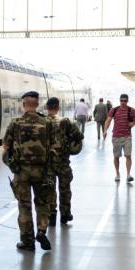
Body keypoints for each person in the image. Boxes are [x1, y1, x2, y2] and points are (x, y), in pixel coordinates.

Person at [2, 91, 55, 251]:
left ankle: (27, 241)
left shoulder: (15, 123)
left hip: (21, 171)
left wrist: (12, 163)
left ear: (23, 104)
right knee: (42, 203)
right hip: (42, 171)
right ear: (38, 104)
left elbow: (5, 148)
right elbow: (53, 147)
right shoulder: (47, 123)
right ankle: (41, 230)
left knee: (24, 206)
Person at [45, 97, 83, 226]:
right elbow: (79, 136)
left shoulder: (42, 122)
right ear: (58, 107)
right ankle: (65, 215)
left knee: (49, 189)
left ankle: (51, 216)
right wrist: (70, 149)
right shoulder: (66, 122)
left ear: (47, 107)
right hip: (63, 162)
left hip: (47, 163)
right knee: (65, 189)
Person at [103, 94, 135, 182]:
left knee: (128, 155)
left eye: (125, 101)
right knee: (116, 156)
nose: (123, 102)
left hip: (127, 137)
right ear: (119, 101)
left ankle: (128, 174)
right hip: (116, 137)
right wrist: (105, 130)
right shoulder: (114, 110)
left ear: (127, 101)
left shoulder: (131, 110)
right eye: (121, 100)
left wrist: (132, 124)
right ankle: (117, 174)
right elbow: (108, 120)